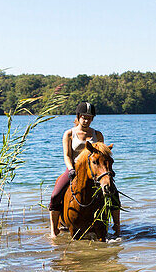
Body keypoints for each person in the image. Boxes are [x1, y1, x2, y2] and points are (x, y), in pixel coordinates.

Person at [48, 101, 120, 238]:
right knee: (55, 195)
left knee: (114, 193)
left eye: (89, 117)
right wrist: (70, 170)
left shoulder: (97, 135)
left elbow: (101, 155)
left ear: (93, 118)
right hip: (74, 170)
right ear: (78, 116)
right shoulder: (69, 134)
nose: (86, 120)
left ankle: (117, 227)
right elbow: (67, 155)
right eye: (84, 116)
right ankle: (54, 230)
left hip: (94, 171)